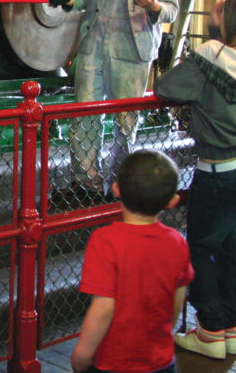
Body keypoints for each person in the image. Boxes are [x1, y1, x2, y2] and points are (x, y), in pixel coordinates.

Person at [154, 0, 236, 360]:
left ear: (233, 18)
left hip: (219, 170)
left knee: (199, 250)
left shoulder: (209, 56)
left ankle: (210, 331)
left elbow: (166, 86)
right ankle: (229, 330)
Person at [49, 0, 179, 198]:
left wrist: (155, 5)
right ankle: (86, 185)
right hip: (94, 43)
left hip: (132, 49)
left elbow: (172, 11)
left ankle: (124, 186)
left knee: (126, 120)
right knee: (85, 114)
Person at [70, 149, 193, 373]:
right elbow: (177, 298)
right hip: (160, 358)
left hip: (113, 360)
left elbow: (104, 307)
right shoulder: (177, 242)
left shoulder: (105, 241)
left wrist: (83, 352)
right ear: (173, 201)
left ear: (116, 190)